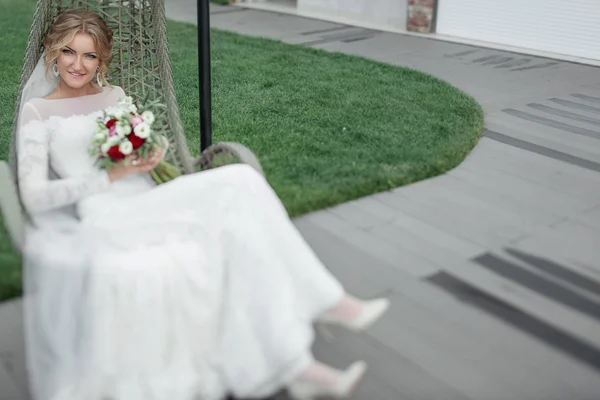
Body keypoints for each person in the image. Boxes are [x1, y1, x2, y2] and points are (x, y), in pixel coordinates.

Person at [16, 8, 390, 400]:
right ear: (52, 52)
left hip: (148, 199)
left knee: (241, 215)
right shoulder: (39, 112)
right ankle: (327, 305)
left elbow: (145, 155)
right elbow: (35, 195)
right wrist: (108, 177)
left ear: (102, 59)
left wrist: (151, 152)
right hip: (107, 215)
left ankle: (297, 366)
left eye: (90, 55)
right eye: (69, 52)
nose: (79, 64)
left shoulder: (115, 97)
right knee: (239, 182)